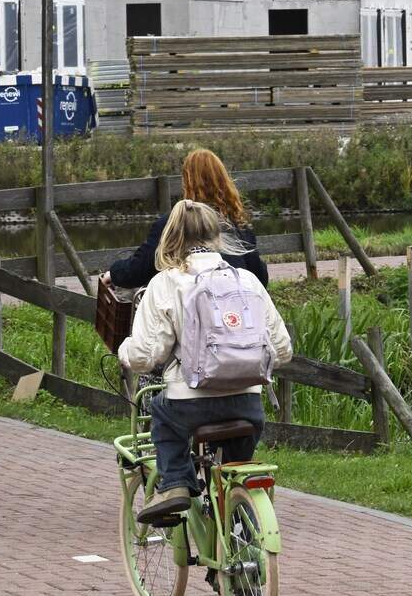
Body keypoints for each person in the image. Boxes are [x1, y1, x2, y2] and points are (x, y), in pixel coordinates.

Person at [119, 200, 292, 524]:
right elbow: (282, 350)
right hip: (248, 405)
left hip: (190, 405)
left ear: (169, 235)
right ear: (215, 235)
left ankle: (176, 485)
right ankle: (243, 544)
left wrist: (124, 350)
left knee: (161, 413)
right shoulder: (247, 280)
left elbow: (147, 356)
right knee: (233, 476)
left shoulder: (166, 283)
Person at [108, 148, 268, 290]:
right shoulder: (238, 225)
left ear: (187, 182)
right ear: (224, 180)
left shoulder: (173, 222)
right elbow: (260, 278)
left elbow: (138, 271)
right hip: (235, 311)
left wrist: (113, 273)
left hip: (188, 314)